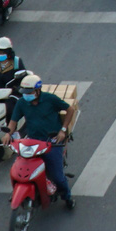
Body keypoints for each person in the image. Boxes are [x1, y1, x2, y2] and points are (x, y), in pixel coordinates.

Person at [7, 74, 75, 209]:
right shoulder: (22, 103)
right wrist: (8, 133)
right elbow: (13, 122)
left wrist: (62, 130)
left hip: (52, 142)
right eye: (25, 93)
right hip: (32, 142)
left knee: (58, 177)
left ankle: (67, 197)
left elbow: (70, 109)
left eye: (30, 92)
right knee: (21, 168)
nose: (27, 95)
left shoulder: (50, 99)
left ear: (38, 90)